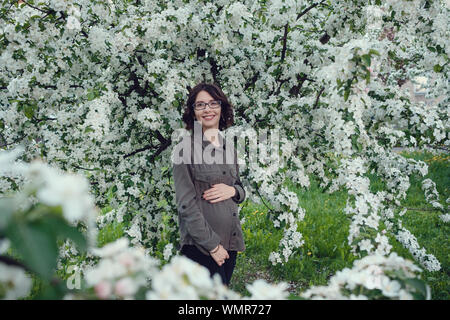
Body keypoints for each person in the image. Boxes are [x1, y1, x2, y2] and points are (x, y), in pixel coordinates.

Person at [171, 82, 246, 286]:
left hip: (229, 243)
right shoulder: (184, 150)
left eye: (213, 103)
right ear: (193, 112)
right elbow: (186, 206)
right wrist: (213, 246)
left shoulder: (228, 147)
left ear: (221, 108)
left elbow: (239, 186)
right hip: (202, 248)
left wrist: (233, 190)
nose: (208, 109)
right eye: (200, 105)